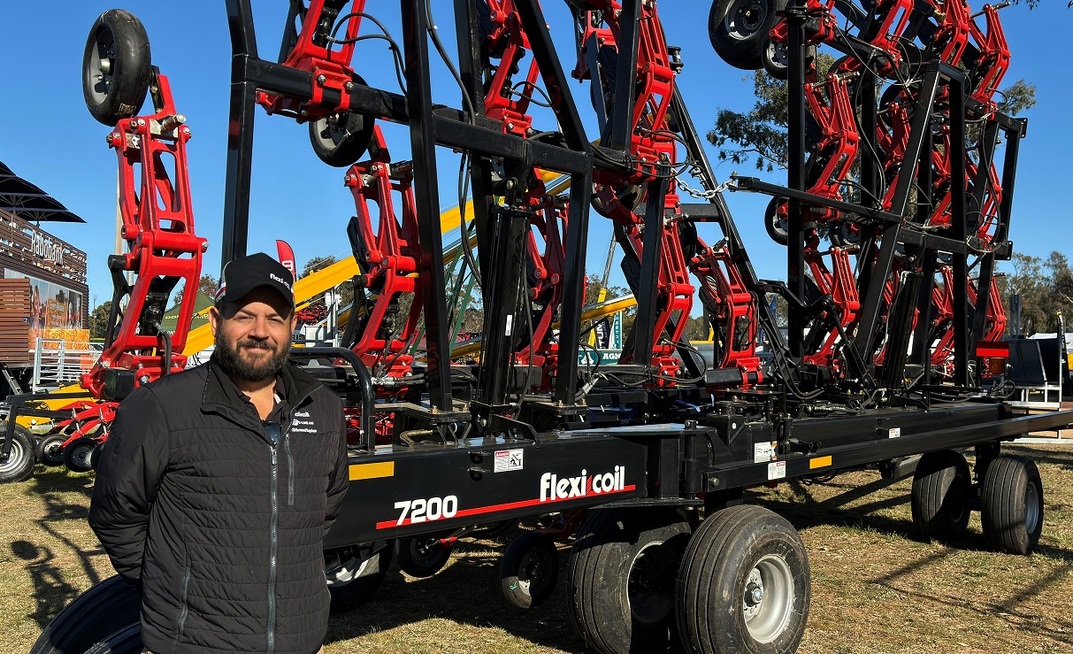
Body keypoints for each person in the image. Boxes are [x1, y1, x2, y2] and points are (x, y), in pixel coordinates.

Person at [90, 253, 350, 654]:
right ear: (215, 321)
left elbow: (325, 509)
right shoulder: (162, 408)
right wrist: (168, 582)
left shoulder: (324, 408)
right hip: (195, 642)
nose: (260, 331)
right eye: (245, 315)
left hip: (300, 639)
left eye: (275, 318)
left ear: (293, 326)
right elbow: (115, 512)